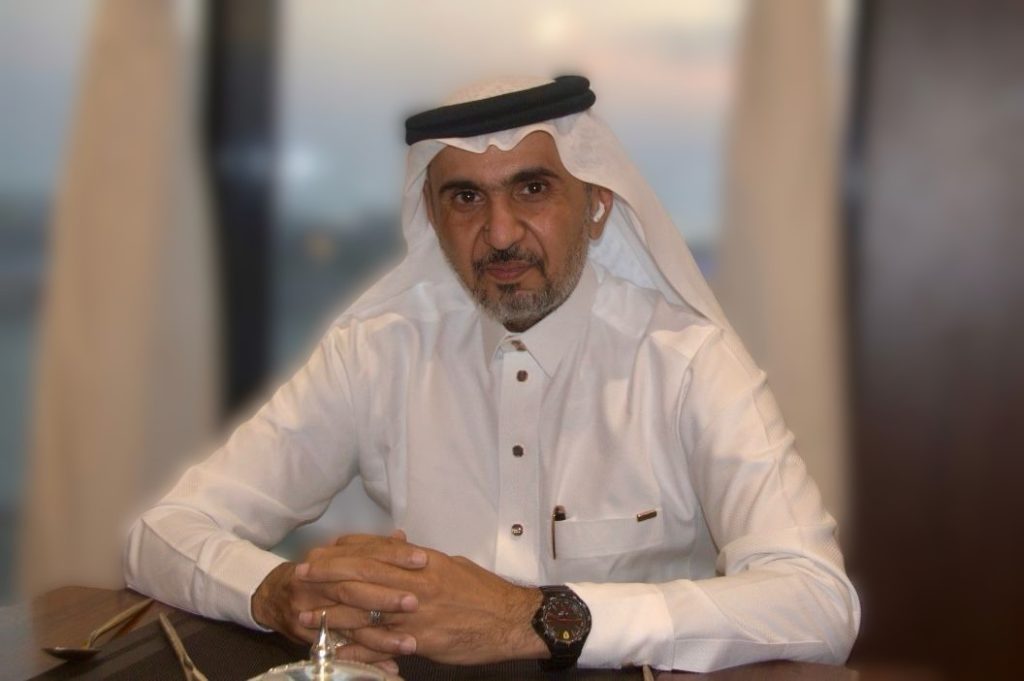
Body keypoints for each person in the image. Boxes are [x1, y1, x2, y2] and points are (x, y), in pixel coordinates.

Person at [125, 75, 859, 673]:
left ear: (597, 203)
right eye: (466, 197)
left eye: (532, 189)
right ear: (432, 215)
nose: (500, 232)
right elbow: (160, 535)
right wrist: (276, 591)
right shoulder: (378, 350)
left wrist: (533, 619)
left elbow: (817, 601)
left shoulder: (688, 361)